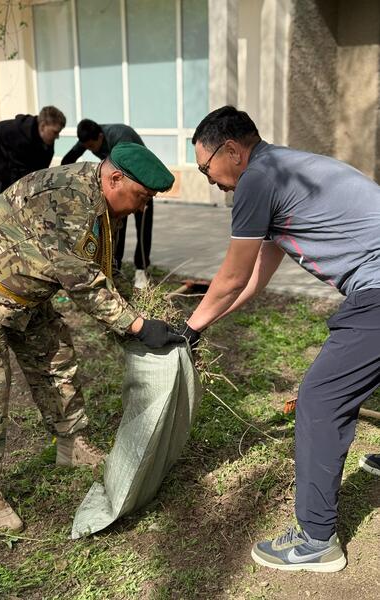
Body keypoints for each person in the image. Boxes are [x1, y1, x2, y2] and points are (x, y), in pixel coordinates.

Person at [0, 142, 182, 533]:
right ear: (116, 178)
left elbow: (101, 267)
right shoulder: (68, 198)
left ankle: (71, 444)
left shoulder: (101, 201)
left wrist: (134, 313)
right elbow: (82, 282)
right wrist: (136, 325)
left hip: (24, 289)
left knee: (55, 357)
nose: (143, 207)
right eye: (143, 197)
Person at [180, 106, 380, 573]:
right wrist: (204, 321)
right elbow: (251, 282)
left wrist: (188, 331)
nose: (210, 180)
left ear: (232, 150)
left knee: (320, 399)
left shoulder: (257, 179)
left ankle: (316, 540)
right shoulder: (283, 170)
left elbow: (232, 277)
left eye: (206, 168)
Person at [61, 119, 152, 289]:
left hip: (141, 183)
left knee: (143, 226)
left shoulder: (121, 136)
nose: (90, 150)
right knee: (117, 226)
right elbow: (68, 159)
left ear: (100, 137)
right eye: (86, 147)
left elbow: (132, 166)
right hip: (120, 185)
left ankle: (141, 269)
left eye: (92, 146)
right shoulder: (89, 136)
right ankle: (115, 268)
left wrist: (142, 196)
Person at [0, 106, 66, 211]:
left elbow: (39, 174)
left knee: (7, 209)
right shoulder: (19, 136)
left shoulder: (46, 143)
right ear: (43, 126)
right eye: (55, 132)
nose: (57, 137)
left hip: (6, 169)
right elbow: (18, 178)